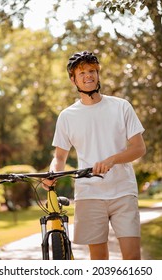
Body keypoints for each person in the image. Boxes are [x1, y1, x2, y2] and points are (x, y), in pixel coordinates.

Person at [43, 51, 146, 260]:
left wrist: (112, 160)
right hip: (89, 194)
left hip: (123, 191)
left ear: (98, 74)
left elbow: (138, 148)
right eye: (81, 73)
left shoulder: (121, 106)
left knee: (133, 259)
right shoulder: (67, 116)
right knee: (99, 262)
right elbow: (60, 157)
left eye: (92, 71)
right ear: (73, 79)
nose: (88, 76)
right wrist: (53, 173)